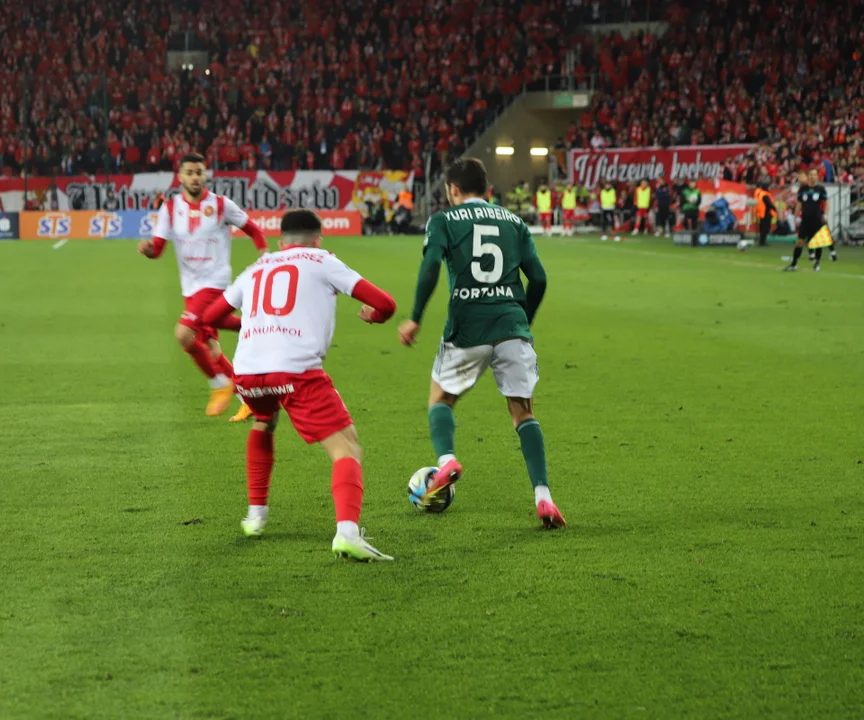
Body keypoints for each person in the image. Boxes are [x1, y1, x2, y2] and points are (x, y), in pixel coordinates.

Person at [201, 209, 398, 561]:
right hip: (295, 371)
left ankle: (256, 516)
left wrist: (249, 325)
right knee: (348, 450)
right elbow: (385, 303)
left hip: (248, 372)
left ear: (281, 243)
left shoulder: (257, 267)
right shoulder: (323, 260)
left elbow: (210, 318)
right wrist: (376, 316)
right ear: (318, 239)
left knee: (265, 420)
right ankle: (347, 533)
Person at [397, 157, 567, 530]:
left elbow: (430, 267)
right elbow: (538, 278)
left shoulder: (443, 220)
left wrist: (415, 317)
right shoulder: (515, 221)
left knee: (440, 399)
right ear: (486, 189)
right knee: (523, 412)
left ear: (453, 190)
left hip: (467, 326)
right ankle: (543, 497)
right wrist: (523, 318)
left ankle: (446, 460)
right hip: (512, 325)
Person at [138, 153, 269, 420]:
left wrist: (265, 259)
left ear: (205, 174)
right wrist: (149, 250)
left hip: (215, 282)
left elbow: (254, 230)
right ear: (181, 176)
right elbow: (159, 249)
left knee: (184, 335)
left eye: (199, 172)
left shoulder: (221, 205)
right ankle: (250, 397)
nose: (195, 177)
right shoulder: (171, 209)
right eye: (190, 172)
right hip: (190, 286)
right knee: (210, 347)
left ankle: (219, 385)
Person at [785, 170, 833, 272]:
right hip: (805, 220)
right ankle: (793, 264)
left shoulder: (821, 189)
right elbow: (799, 203)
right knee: (799, 242)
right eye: (810, 175)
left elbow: (827, 203)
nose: (812, 177)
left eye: (814, 175)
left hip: (817, 219)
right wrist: (795, 216)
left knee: (818, 243)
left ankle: (817, 263)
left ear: (817, 177)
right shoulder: (803, 189)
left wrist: (825, 214)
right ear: (808, 176)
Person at [753, 181, 777, 247]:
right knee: (765, 228)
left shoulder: (760, 194)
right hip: (766, 213)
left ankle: (762, 241)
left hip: (761, 213)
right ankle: (762, 241)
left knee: (762, 227)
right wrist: (774, 208)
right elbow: (769, 204)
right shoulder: (765, 194)